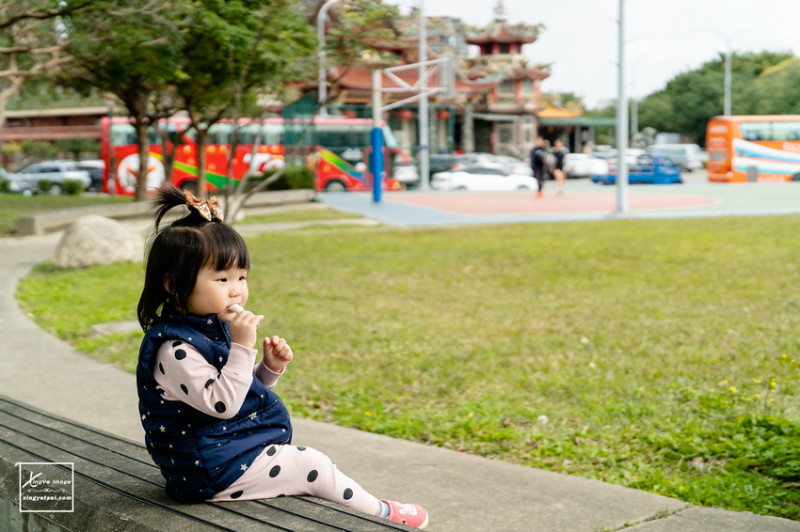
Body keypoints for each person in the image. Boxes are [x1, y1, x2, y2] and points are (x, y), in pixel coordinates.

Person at [135, 184, 429, 529]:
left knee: (303, 472)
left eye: (242, 277)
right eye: (222, 278)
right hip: (207, 471)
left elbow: (235, 388)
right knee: (310, 465)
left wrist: (268, 369)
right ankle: (382, 515)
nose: (237, 289)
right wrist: (243, 348)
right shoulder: (175, 350)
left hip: (221, 453)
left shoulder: (206, 328)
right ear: (173, 285)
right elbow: (223, 404)